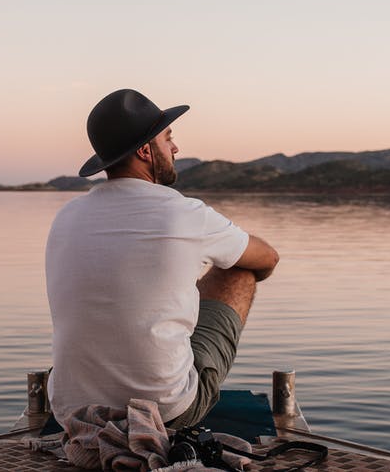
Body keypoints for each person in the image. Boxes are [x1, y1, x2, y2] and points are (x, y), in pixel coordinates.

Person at [45, 88, 280, 430]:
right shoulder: (183, 213)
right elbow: (268, 258)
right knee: (239, 271)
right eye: (168, 138)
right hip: (166, 411)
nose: (175, 148)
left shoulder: (66, 216)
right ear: (144, 150)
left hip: (72, 410)